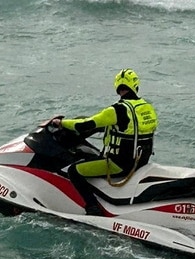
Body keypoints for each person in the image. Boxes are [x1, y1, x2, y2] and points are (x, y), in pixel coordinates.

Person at [51, 69, 158, 216]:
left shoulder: (117, 110)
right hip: (140, 162)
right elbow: (130, 129)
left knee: (74, 171)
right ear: (135, 86)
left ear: (117, 87)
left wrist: (61, 123)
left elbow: (84, 125)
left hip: (119, 166)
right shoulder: (147, 108)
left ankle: (92, 207)